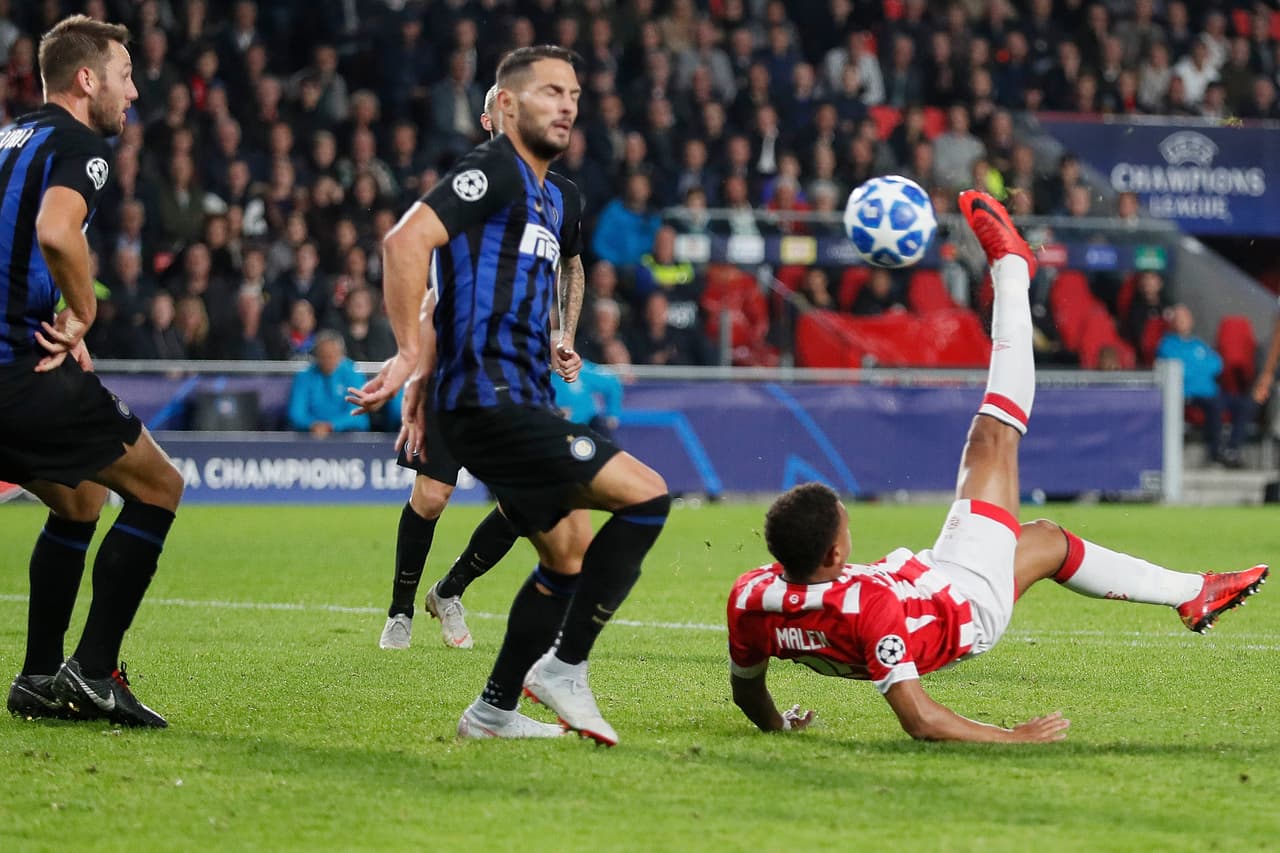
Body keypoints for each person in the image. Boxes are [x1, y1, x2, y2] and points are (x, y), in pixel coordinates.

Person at [726, 191, 1269, 743]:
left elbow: (747, 690)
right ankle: (1012, 270)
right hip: (966, 602)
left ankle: (1192, 592)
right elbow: (920, 719)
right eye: (845, 527)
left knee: (1049, 541)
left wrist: (779, 726)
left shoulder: (751, 598)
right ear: (835, 554)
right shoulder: (865, 606)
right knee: (994, 435)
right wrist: (1013, 738)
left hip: (930, 581)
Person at [351, 46, 670, 746]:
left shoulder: (549, 195)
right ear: (507, 103)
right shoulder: (495, 168)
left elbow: (458, 291)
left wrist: (551, 336)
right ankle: (564, 665)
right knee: (647, 496)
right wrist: (409, 356)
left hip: (518, 391)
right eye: (551, 91)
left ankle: (492, 711)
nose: (567, 105)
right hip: (491, 398)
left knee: (568, 550)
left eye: (574, 94)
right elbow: (404, 244)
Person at [1, 16, 184, 728]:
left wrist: (42, 305)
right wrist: (82, 311)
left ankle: (38, 676)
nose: (133, 92)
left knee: (79, 500)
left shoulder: (12, 138)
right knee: (160, 486)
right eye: (125, 76)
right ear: (86, 79)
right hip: (20, 373)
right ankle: (95, 670)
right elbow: (54, 230)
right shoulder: (81, 145)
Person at [372, 84, 585, 654]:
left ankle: (449, 591)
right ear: (489, 120)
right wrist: (414, 357)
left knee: (525, 502)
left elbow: (571, 266)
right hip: (458, 368)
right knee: (431, 497)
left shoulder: (564, 196)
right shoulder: (470, 187)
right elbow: (430, 275)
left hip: (521, 373)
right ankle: (399, 612)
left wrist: (563, 335)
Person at [1157, 304, 1252, 468]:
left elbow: (1217, 364)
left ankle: (1232, 449)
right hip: (1187, 394)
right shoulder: (1167, 345)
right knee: (1214, 406)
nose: (1183, 322)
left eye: (1186, 318)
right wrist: (1200, 366)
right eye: (1179, 319)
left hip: (1211, 391)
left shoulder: (1198, 344)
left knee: (1244, 404)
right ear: (1172, 322)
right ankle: (1215, 453)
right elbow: (1178, 371)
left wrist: (1195, 366)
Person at [286, 330, 370, 436]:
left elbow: (359, 416)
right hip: (312, 433)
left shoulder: (354, 375)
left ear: (341, 355)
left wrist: (331, 426)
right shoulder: (304, 376)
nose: (327, 360)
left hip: (346, 433)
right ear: (316, 355)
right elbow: (296, 413)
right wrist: (312, 425)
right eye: (323, 356)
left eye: (331, 356)